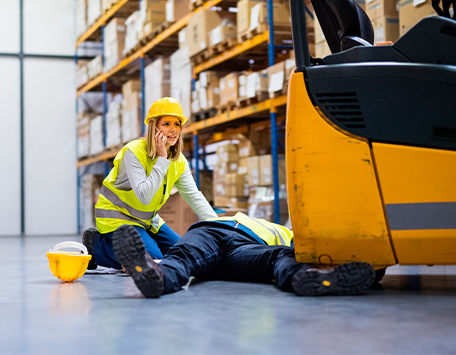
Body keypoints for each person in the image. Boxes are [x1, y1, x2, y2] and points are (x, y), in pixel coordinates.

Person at [83, 97, 218, 270]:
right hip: (116, 216)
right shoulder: (134, 152)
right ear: (154, 127)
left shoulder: (179, 161)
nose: (173, 130)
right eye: (166, 124)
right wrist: (162, 159)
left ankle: (137, 246)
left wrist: (219, 227)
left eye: (177, 124)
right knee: (151, 260)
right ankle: (96, 245)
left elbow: (194, 196)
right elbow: (144, 196)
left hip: (146, 219)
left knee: (184, 254)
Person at [111, 212, 376, 297]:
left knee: (282, 258)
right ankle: (153, 274)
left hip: (243, 249)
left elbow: (330, 249)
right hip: (214, 231)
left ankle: (312, 277)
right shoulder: (278, 228)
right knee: (184, 254)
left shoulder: (297, 239)